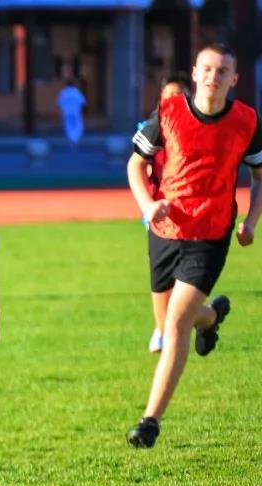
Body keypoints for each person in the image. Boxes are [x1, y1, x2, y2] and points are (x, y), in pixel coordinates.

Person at [126, 44, 262, 448]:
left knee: (174, 326)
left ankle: (150, 420)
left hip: (211, 233)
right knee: (172, 319)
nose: (213, 76)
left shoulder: (246, 120)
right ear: (195, 72)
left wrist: (251, 221)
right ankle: (211, 316)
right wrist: (149, 206)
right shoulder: (168, 114)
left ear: (234, 79)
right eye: (207, 68)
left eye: (223, 71)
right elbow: (136, 162)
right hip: (165, 231)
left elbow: (259, 174)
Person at [141, 73, 191, 353]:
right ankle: (162, 330)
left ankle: (201, 317)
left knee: (186, 279)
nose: (173, 101)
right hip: (159, 214)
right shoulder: (153, 128)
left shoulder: (200, 127)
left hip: (192, 215)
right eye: (168, 96)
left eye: (179, 95)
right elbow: (138, 164)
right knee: (160, 277)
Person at [57, 79, 87, 149]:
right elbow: (83, 101)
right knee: (77, 125)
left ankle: (71, 139)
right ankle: (75, 139)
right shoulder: (76, 92)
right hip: (75, 111)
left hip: (66, 112)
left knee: (68, 125)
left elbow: (59, 103)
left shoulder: (63, 92)